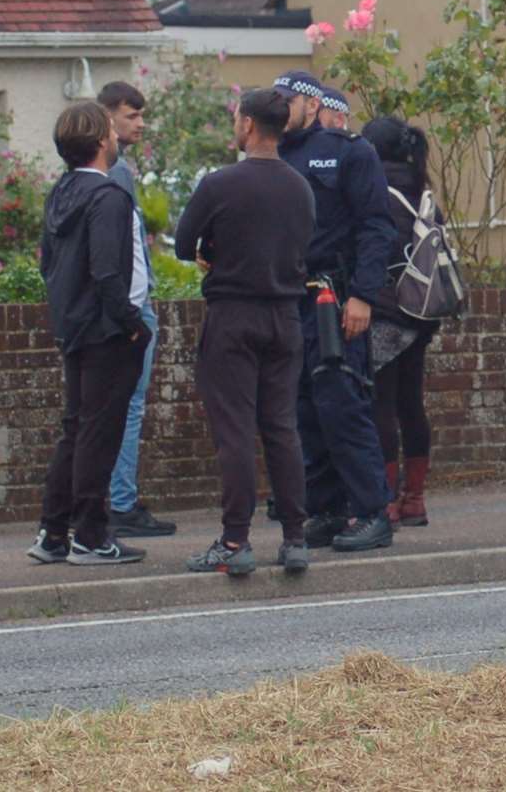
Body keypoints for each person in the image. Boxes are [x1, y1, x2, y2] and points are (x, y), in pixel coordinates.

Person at [174, 88, 317, 575]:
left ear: (249, 124)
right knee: (282, 427)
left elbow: (181, 244)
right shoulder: (300, 186)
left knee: (235, 430)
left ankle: (235, 542)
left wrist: (211, 250)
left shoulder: (219, 184)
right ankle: (295, 537)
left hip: (233, 314)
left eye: (237, 118)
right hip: (285, 316)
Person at [275, 71, 397, 552]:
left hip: (335, 296)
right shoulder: (274, 155)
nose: (283, 108)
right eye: (277, 99)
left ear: (311, 104)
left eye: (291, 99)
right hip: (290, 297)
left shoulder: (349, 151)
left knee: (342, 403)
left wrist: (363, 295)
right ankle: (325, 509)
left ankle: (371, 511)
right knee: (304, 408)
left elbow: (376, 227)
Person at [28, 101, 153, 567]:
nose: (118, 139)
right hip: (108, 330)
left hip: (74, 325)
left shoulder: (62, 192)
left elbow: (49, 264)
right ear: (102, 140)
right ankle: (92, 534)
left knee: (76, 429)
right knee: (100, 433)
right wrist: (131, 324)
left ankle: (54, 531)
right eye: (112, 132)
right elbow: (108, 270)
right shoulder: (108, 197)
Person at [95, 81, 176, 540]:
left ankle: (112, 499)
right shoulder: (116, 175)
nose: (140, 124)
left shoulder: (107, 170)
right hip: (129, 309)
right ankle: (121, 503)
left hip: (120, 307)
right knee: (128, 407)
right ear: (108, 119)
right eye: (132, 115)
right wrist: (134, 310)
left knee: (113, 408)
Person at [361, 115, 441, 527]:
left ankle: (387, 501)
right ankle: (415, 498)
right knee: (412, 404)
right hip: (421, 312)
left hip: (386, 312)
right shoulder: (421, 191)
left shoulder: (377, 193)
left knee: (382, 406)